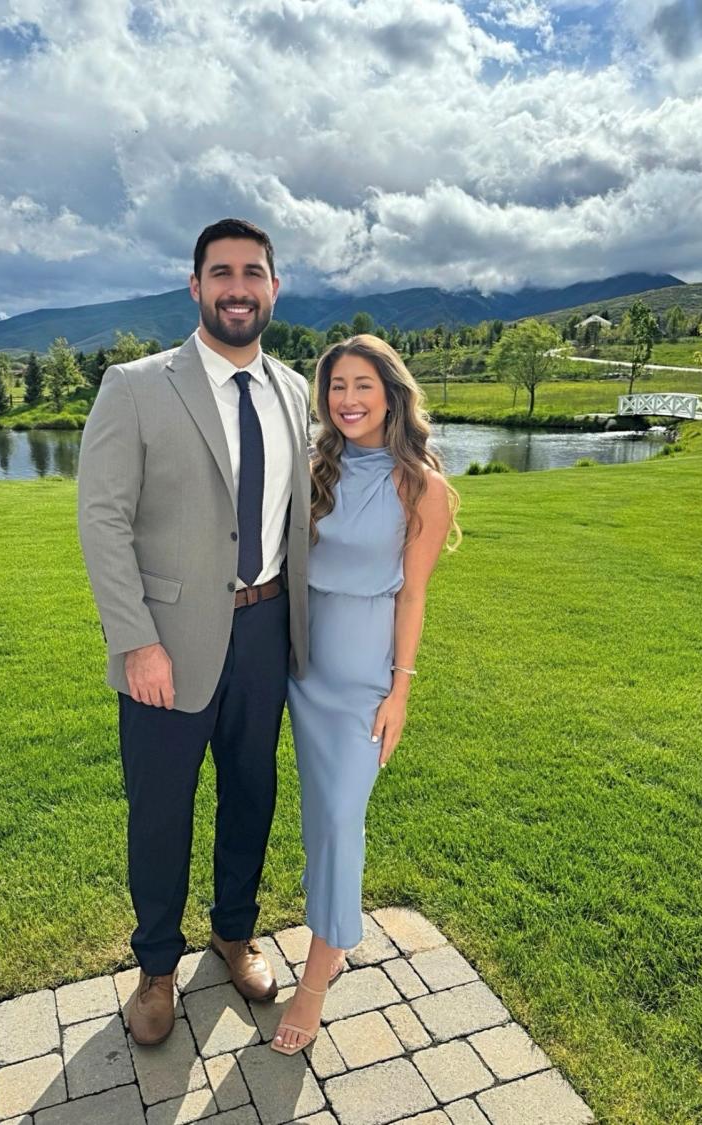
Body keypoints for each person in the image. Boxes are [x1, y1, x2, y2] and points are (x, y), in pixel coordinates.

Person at [76, 218, 312, 1047]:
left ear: (274, 287)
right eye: (221, 272)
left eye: (254, 271)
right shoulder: (135, 386)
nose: (238, 286)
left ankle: (235, 932)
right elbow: (101, 519)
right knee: (161, 812)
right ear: (196, 286)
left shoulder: (293, 390)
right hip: (166, 646)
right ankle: (154, 970)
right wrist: (135, 639)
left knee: (253, 794)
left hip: (265, 633)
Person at [271, 334, 461, 1055]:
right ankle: (332, 931)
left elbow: (413, 595)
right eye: (337, 386)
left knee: (342, 817)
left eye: (363, 385)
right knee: (319, 814)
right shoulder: (314, 466)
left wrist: (400, 691)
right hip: (299, 664)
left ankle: (319, 972)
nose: (348, 399)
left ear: (392, 393)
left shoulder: (424, 488)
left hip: (361, 677)